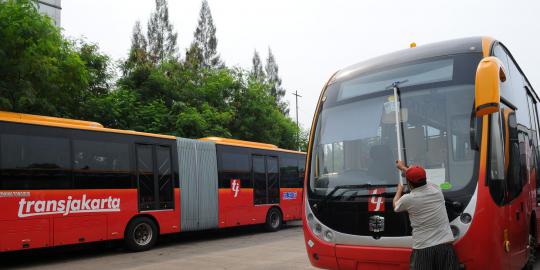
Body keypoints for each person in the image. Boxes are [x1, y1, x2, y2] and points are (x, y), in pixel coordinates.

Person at [393, 160, 459, 270]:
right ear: (425, 178)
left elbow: (395, 205)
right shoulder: (436, 189)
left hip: (423, 249)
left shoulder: (408, 199)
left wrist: (399, 191)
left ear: (409, 184)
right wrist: (403, 167)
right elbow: (416, 177)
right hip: (445, 246)